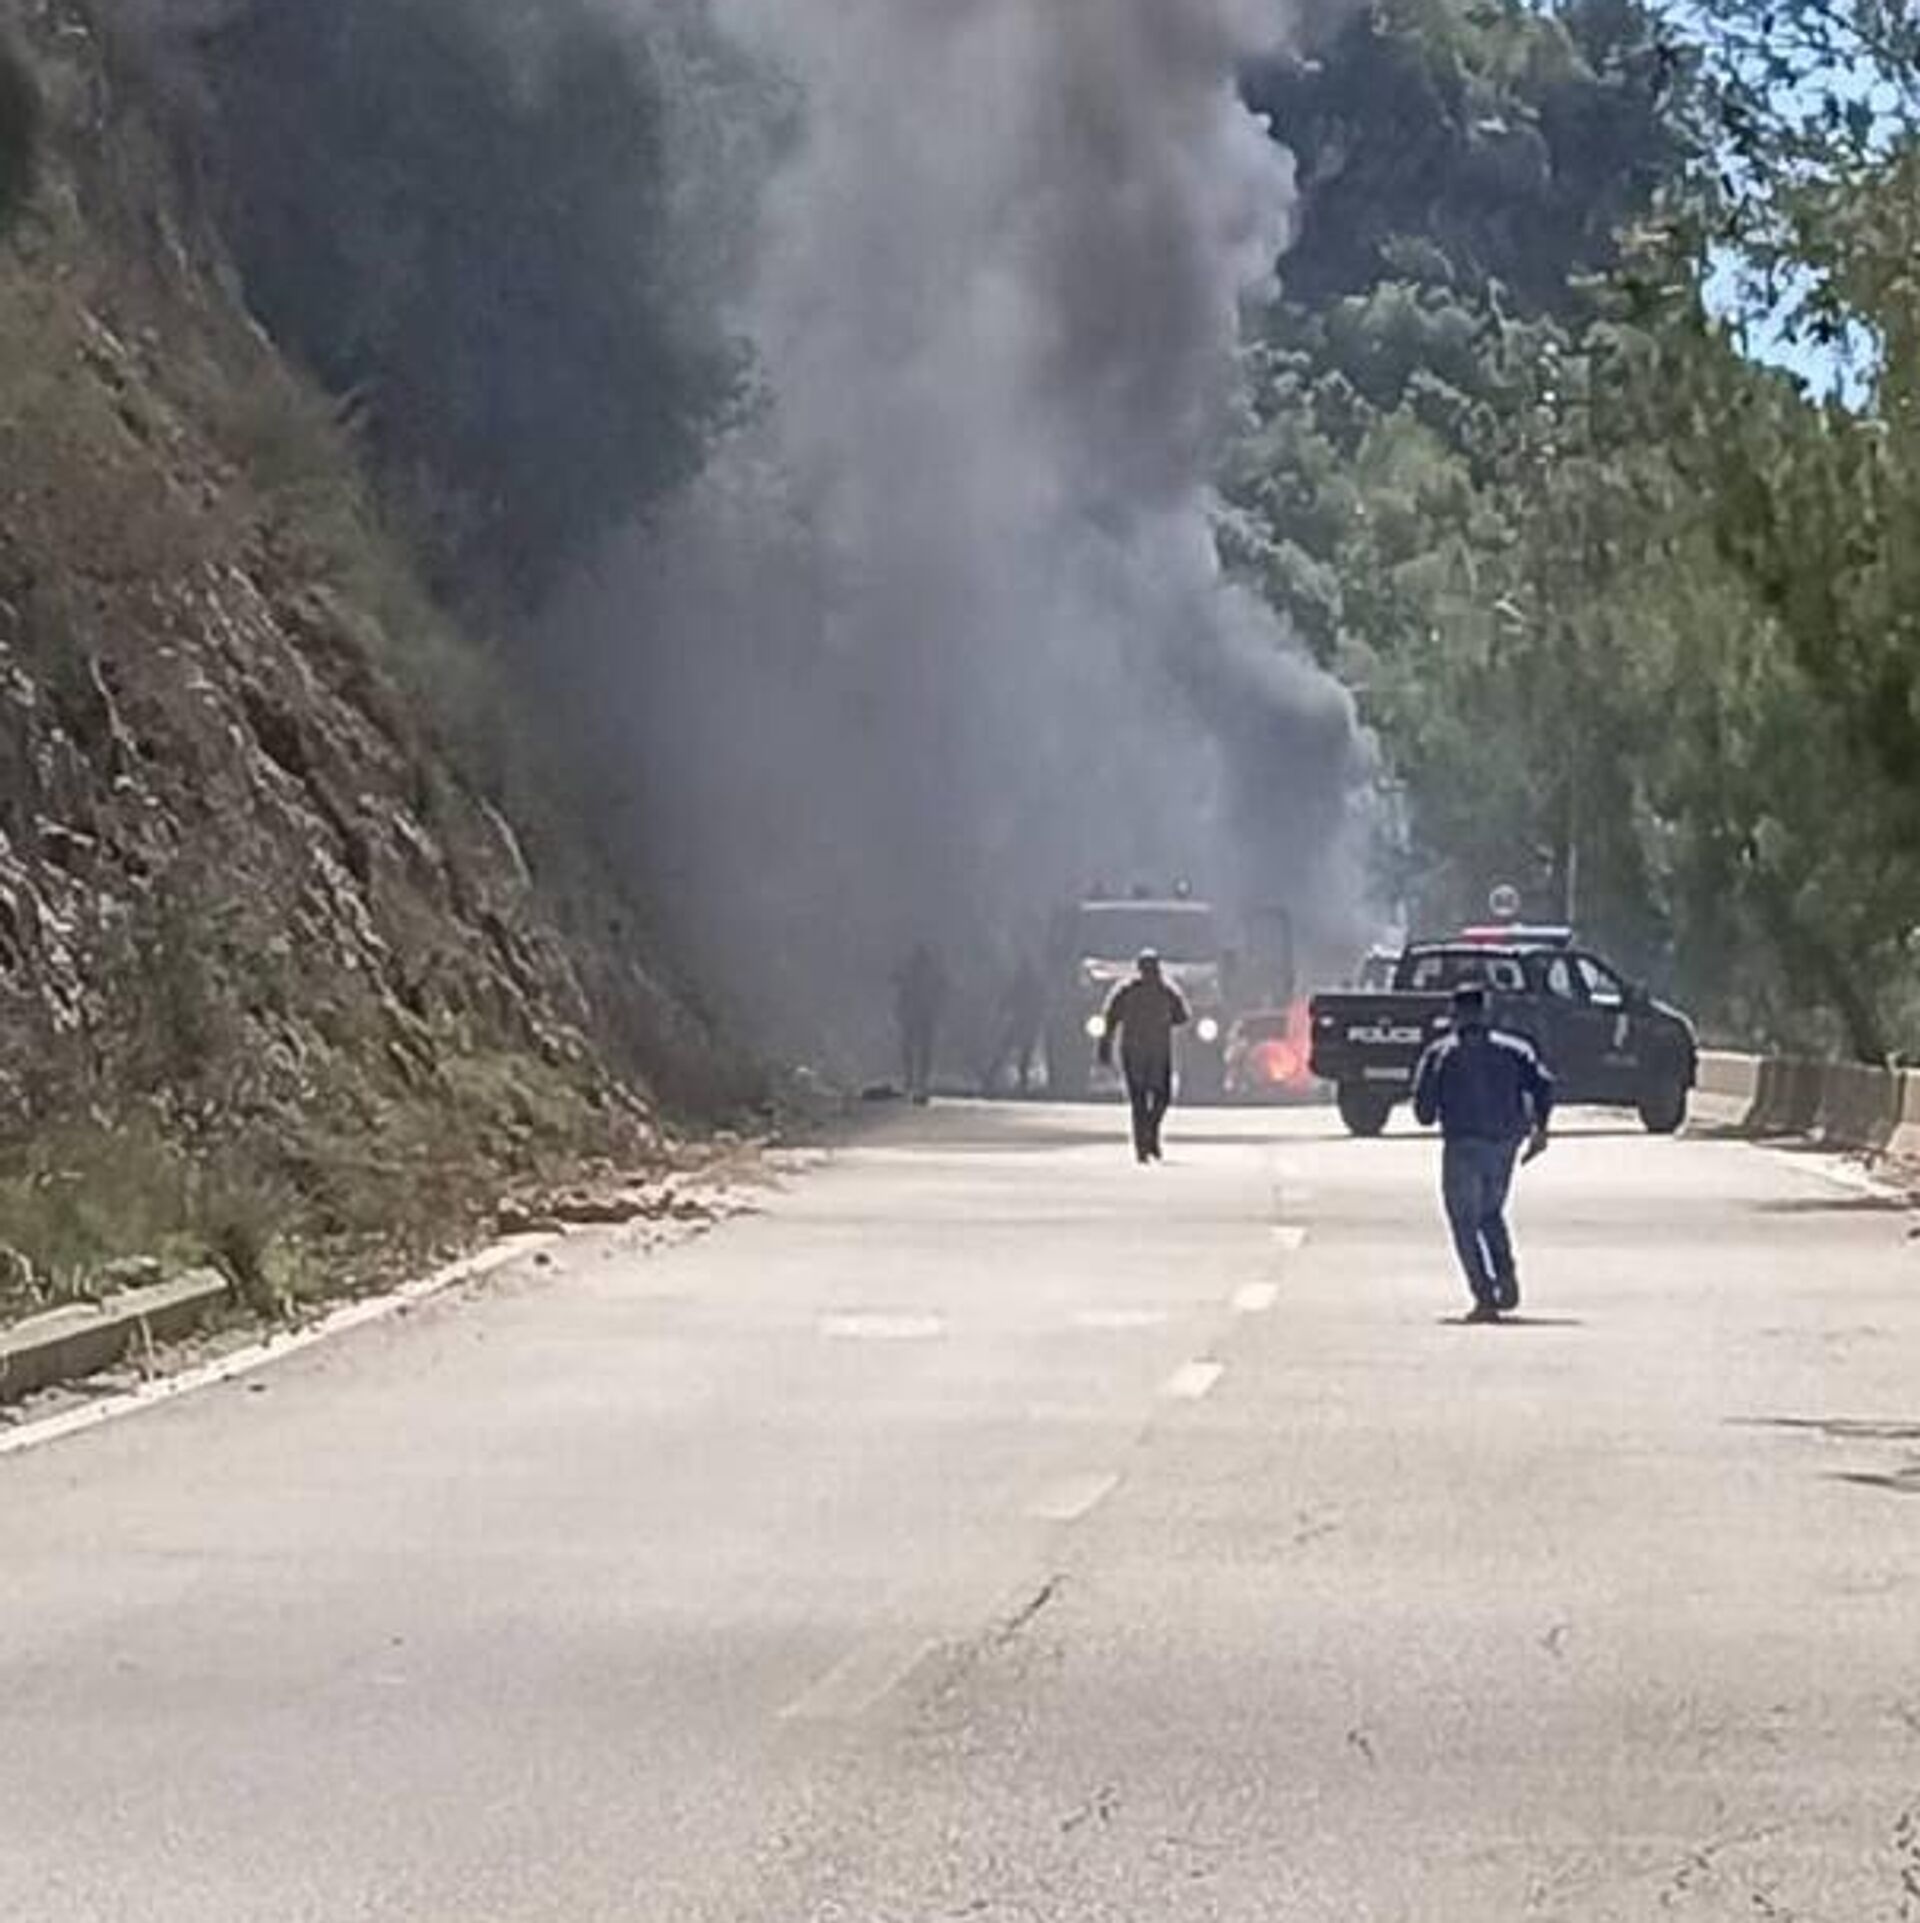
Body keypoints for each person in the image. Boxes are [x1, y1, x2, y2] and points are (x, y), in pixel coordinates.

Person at [1412, 981, 1555, 1322]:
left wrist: (1434, 1107)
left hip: (1462, 1143)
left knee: (1464, 1222)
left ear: (1455, 1014)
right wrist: (1540, 1128)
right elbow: (1543, 1085)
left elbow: (1424, 1112)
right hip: (1504, 1143)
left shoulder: (1441, 1054)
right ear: (1485, 1011)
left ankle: (1484, 1295)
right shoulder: (1515, 1050)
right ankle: (1505, 1276)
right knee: (1491, 1213)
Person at [1098, 949, 1190, 1164]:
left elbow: (1110, 1019)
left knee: (1143, 1099)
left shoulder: (1129, 991)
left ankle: (1146, 1139)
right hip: (1155, 1052)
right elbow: (1182, 1016)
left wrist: (1105, 1046)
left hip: (1138, 1052)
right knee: (1157, 1097)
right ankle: (1148, 1136)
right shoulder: (1164, 991)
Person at [893, 943, 948, 1105]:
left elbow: (942, 988)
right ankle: (915, 1079)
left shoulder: (919, 974)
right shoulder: (920, 974)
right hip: (919, 1016)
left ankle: (916, 1079)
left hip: (921, 1016)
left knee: (917, 1049)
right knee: (916, 1049)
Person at [989, 957, 1046, 1097]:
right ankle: (1017, 1081)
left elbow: (1008, 1000)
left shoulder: (1025, 984)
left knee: (1011, 1050)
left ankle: (994, 1077)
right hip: (1026, 1022)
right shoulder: (1032, 984)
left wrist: (1001, 1012)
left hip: (1024, 1022)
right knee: (1016, 1051)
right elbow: (1009, 999)